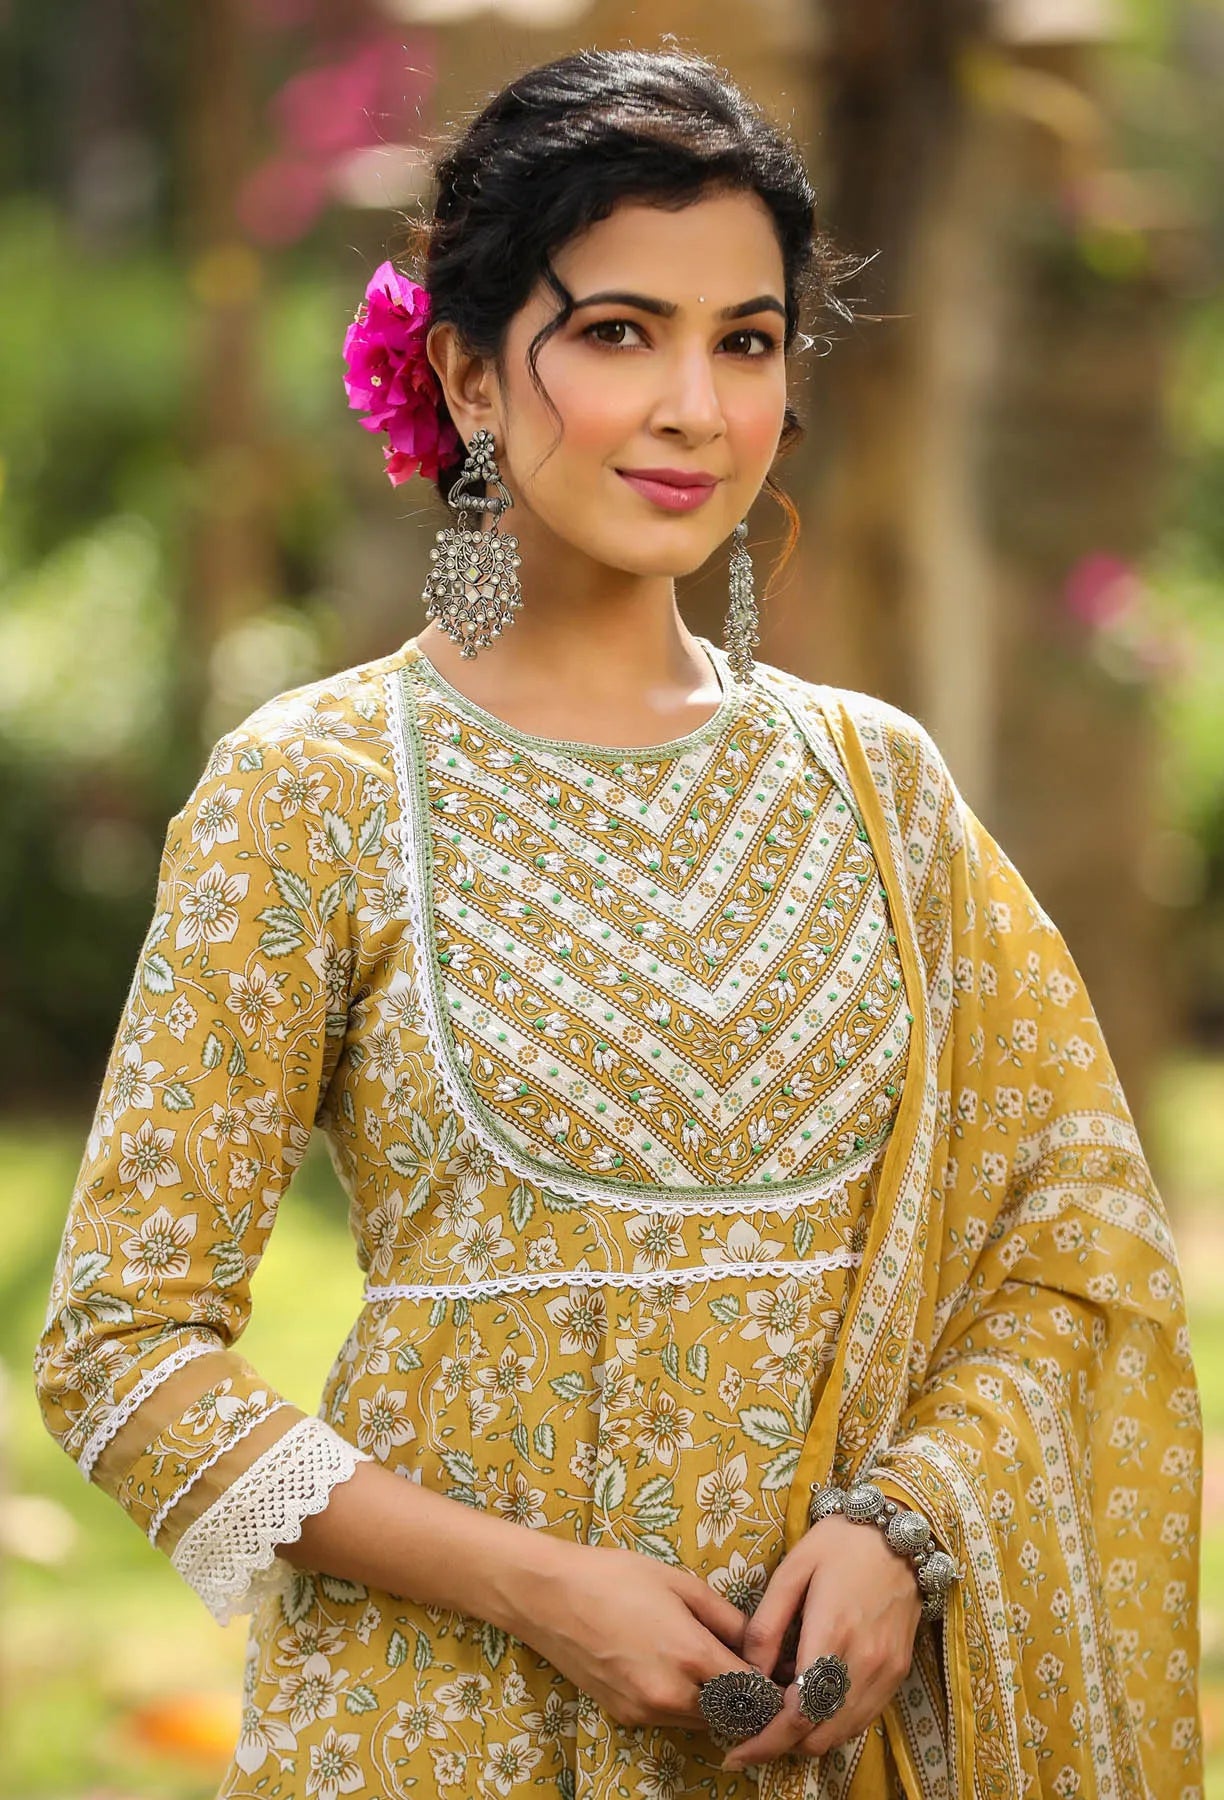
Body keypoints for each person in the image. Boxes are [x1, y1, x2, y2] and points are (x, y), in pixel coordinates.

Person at [33, 43, 1202, 1800]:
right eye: (616, 331)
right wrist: (541, 1590)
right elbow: (121, 1348)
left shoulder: (876, 789)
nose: (692, 408)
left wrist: (906, 1533)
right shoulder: (316, 789)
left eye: (745, 341)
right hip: (443, 1731)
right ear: (468, 374)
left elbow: (1065, 1242)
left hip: (836, 1745)